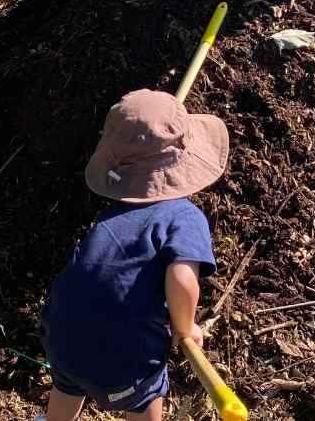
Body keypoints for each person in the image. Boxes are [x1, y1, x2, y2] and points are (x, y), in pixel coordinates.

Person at [36, 88, 230, 421]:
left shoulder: (110, 216)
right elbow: (183, 279)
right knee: (145, 396)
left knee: (69, 381)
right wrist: (185, 330)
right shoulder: (184, 217)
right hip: (123, 358)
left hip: (61, 334)